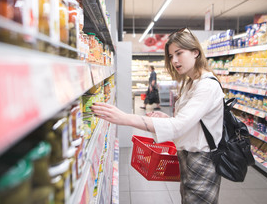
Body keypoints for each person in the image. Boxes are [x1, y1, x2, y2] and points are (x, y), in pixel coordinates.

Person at [91, 27, 224, 204]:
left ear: (195, 53)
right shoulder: (191, 83)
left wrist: (126, 118)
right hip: (187, 156)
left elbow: (179, 127)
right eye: (170, 56)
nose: (174, 60)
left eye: (179, 53)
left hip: (202, 159)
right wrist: (167, 119)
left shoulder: (207, 86)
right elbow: (188, 122)